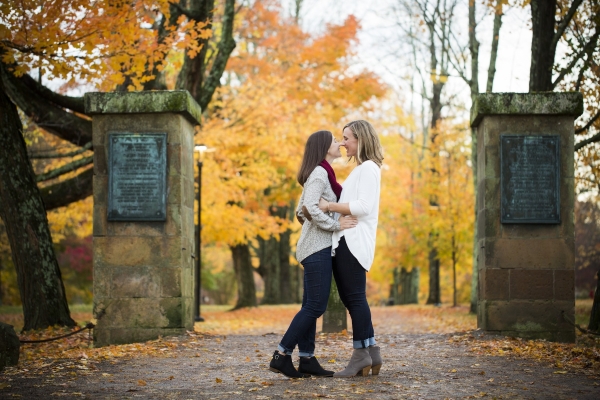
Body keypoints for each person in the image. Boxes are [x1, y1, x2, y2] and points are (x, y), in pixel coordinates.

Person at [269, 130, 358, 378]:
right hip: (317, 248)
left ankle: (306, 359)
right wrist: (335, 224)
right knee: (316, 307)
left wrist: (314, 218)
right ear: (323, 147)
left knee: (310, 305)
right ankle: (281, 354)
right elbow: (308, 208)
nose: (340, 143)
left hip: (314, 247)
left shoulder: (321, 174)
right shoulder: (320, 173)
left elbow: (300, 211)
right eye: (334, 141)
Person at [318, 120, 384, 378]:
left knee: (354, 299)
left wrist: (328, 207)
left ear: (361, 139)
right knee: (354, 298)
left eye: (347, 138)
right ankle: (371, 350)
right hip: (349, 239)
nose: (343, 143)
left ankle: (360, 355)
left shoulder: (368, 168)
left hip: (353, 241)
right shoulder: (364, 168)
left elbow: (364, 206)